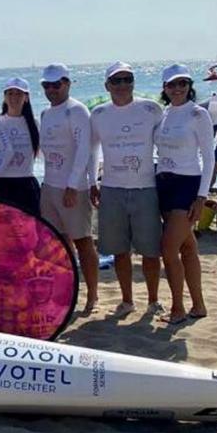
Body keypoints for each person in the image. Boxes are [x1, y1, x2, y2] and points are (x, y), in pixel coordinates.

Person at [90, 62, 165, 317]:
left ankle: (153, 300)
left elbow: (169, 145)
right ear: (107, 85)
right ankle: (127, 300)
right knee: (120, 250)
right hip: (112, 189)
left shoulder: (151, 109)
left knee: (151, 250)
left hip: (146, 188)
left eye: (127, 79)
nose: (122, 85)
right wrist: (92, 182)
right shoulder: (99, 114)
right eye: (116, 80)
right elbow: (91, 150)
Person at [155, 64, 213, 325]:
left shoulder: (198, 114)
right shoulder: (164, 114)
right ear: (165, 89)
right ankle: (198, 305)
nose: (177, 89)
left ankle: (177, 308)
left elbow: (209, 158)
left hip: (187, 184)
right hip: (163, 183)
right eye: (171, 85)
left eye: (182, 83)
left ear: (189, 86)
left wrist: (202, 196)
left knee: (168, 249)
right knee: (188, 247)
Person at [37, 64, 98, 314]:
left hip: (74, 188)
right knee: (59, 243)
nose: (52, 89)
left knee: (83, 241)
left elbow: (86, 149)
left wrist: (74, 185)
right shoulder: (45, 114)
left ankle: (92, 296)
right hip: (49, 186)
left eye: (57, 84)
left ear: (68, 83)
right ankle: (67, 290)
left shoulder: (77, 110)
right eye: (47, 85)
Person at [0, 77, 42, 214]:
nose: (14, 97)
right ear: (4, 97)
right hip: (1, 185)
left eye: (18, 93)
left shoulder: (35, 124)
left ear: (26, 98)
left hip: (26, 185)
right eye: (10, 93)